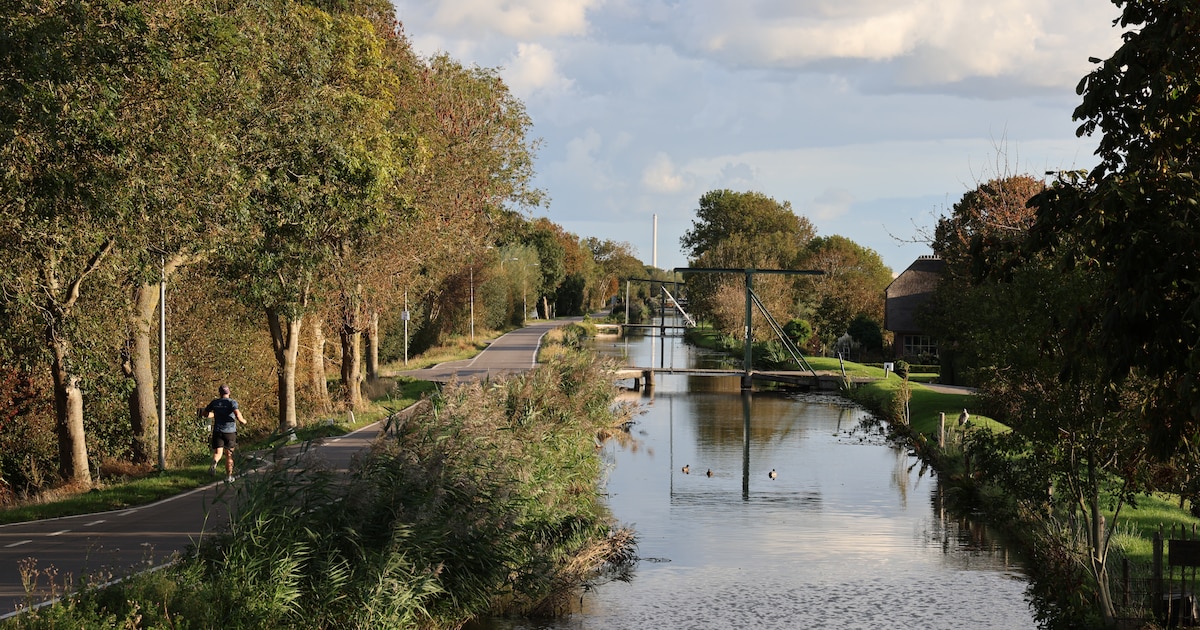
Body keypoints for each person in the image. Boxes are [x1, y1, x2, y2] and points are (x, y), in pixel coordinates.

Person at [204, 384, 247, 482]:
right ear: (229, 392)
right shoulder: (232, 402)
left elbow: (205, 413)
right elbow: (237, 413)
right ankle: (228, 477)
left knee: (218, 452)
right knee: (229, 455)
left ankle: (214, 464)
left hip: (217, 431)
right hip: (229, 432)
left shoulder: (215, 402)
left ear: (220, 393)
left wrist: (215, 415)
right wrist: (242, 420)